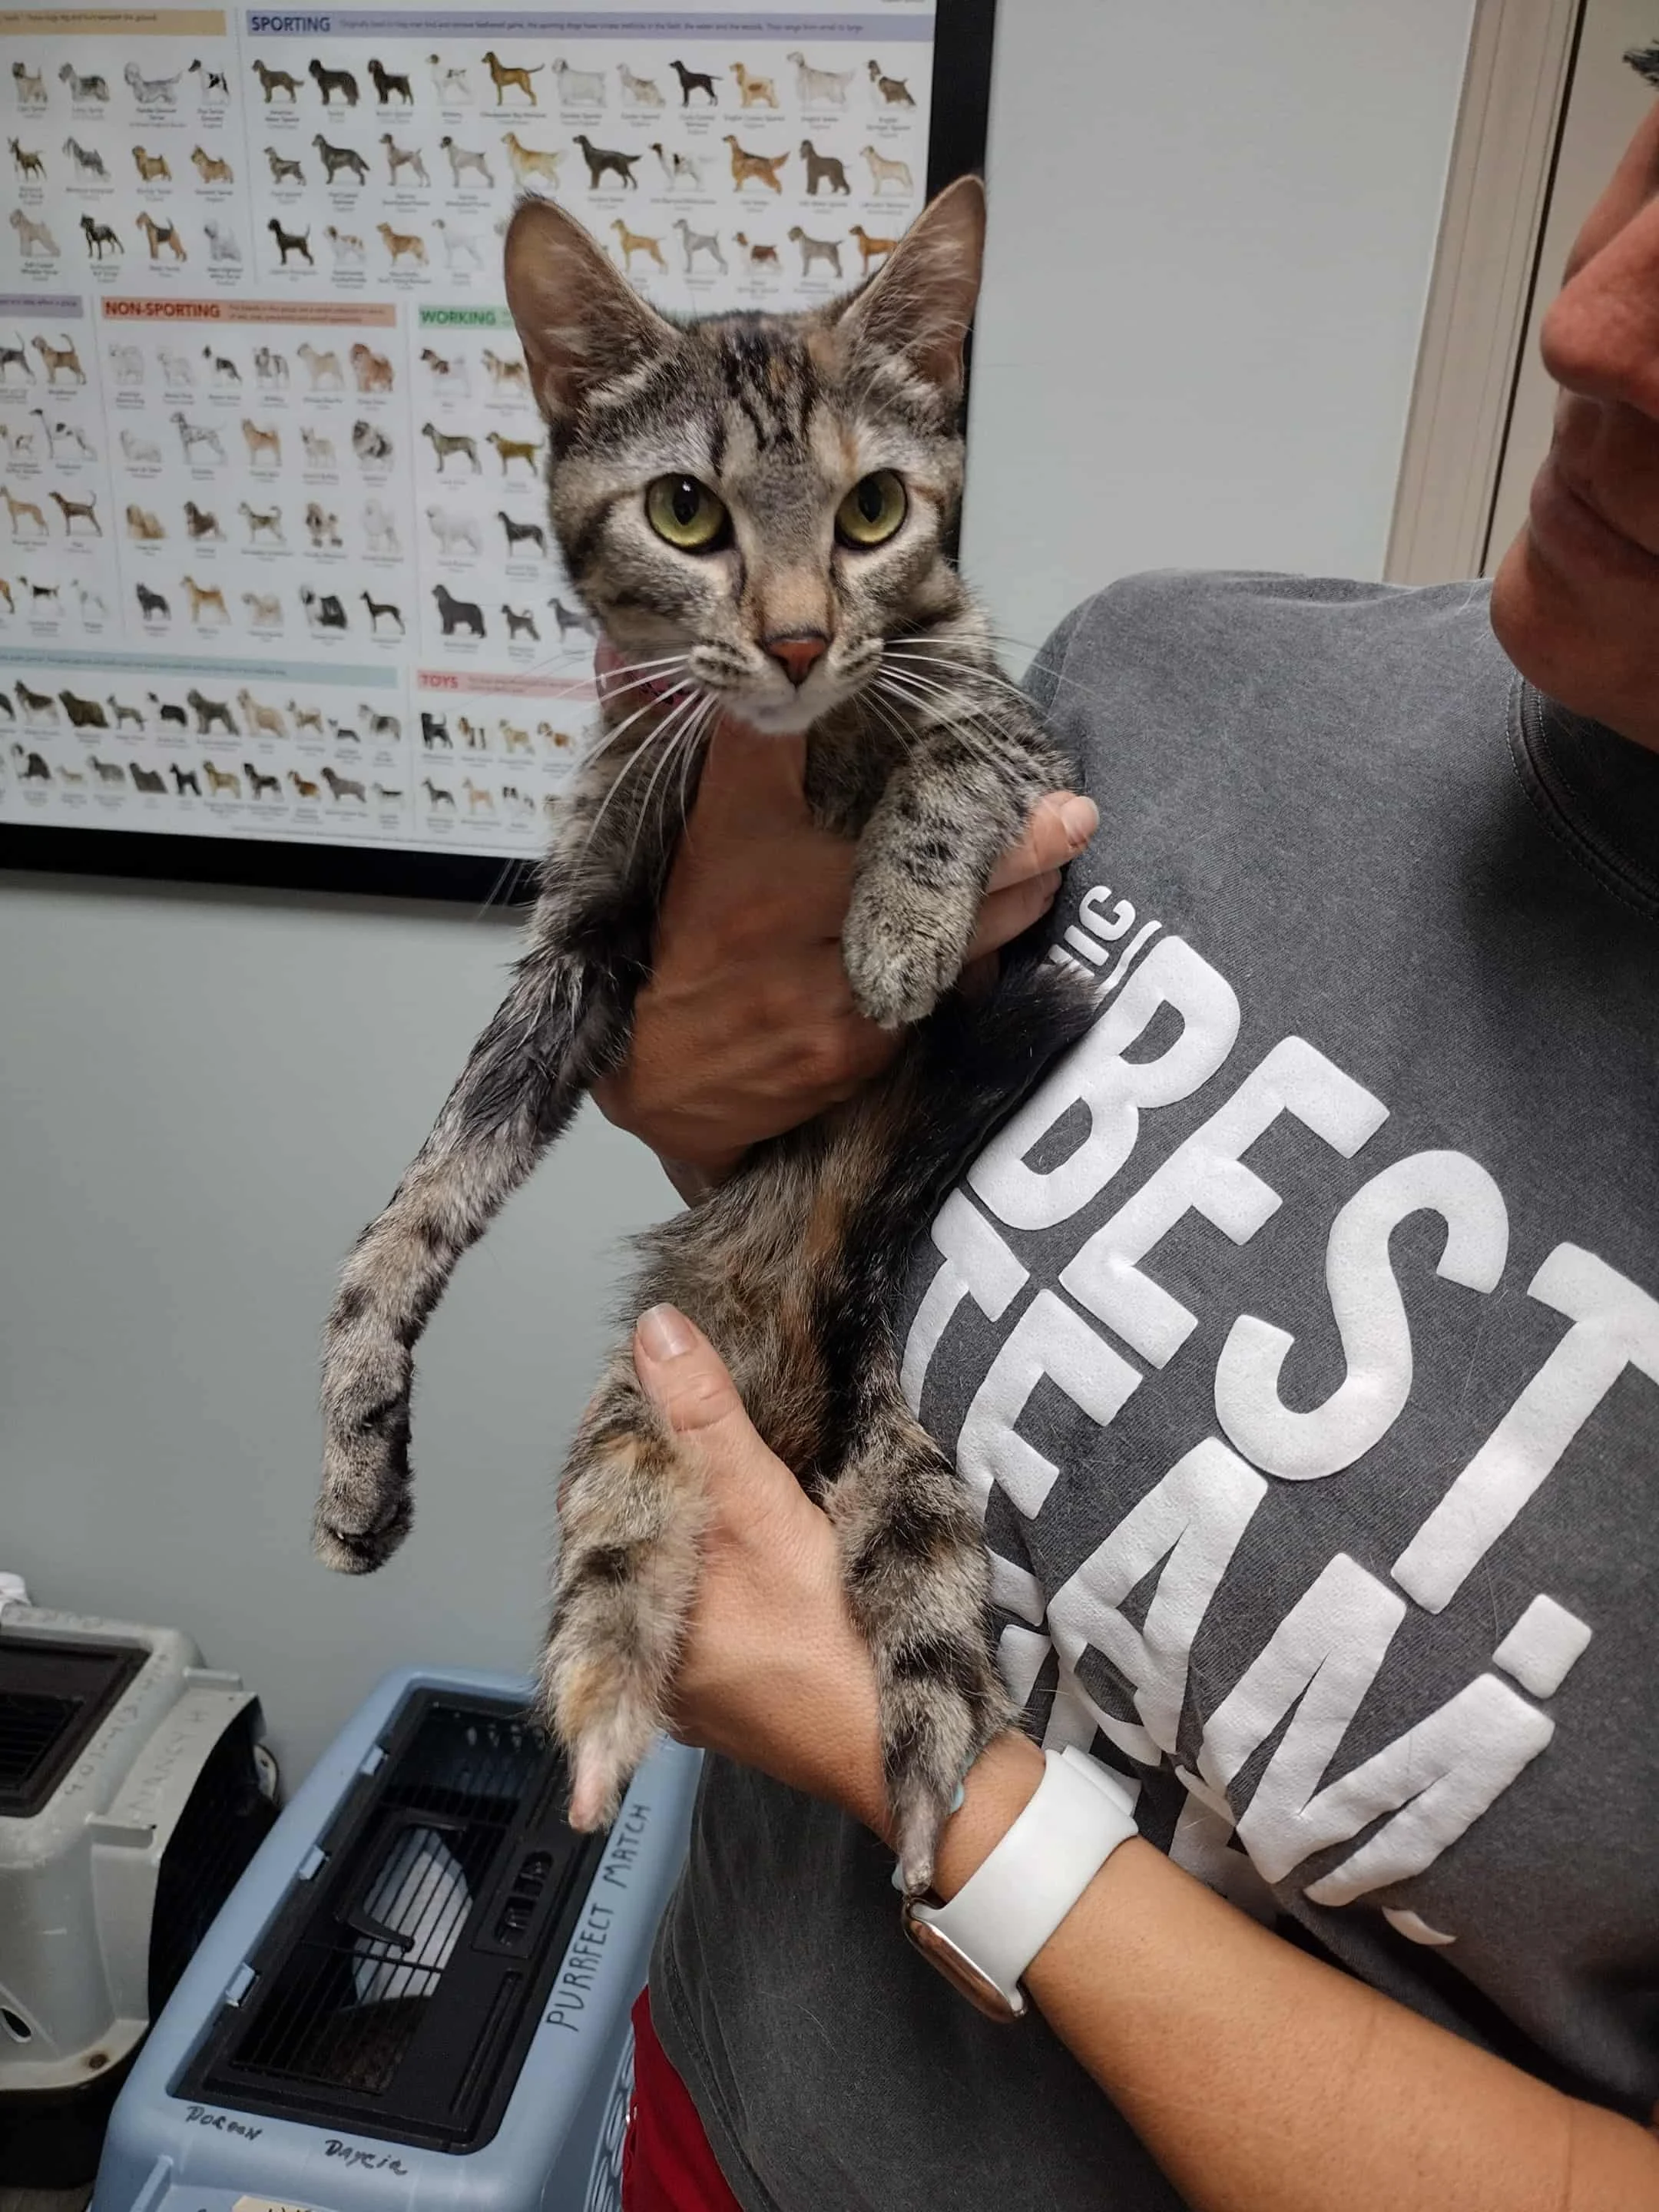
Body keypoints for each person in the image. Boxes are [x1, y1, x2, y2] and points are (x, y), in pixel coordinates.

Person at [594, 96, 1659, 2212]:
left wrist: (928, 1778)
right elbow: (793, 1196)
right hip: (716, 2094)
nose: (1596, 326)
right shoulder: (1173, 684)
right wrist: (674, 1062)